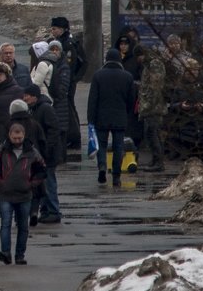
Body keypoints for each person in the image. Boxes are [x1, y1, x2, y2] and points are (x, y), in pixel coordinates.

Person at [0, 122, 47, 265]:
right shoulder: (1, 150)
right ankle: (5, 252)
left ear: (24, 136)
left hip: (25, 195)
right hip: (5, 195)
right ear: (10, 136)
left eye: (20, 138)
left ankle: (20, 255)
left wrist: (31, 184)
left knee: (23, 226)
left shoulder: (32, 152)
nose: (17, 141)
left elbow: (42, 170)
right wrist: (0, 182)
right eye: (14, 138)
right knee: (5, 224)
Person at [87, 48, 138, 187]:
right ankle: (116, 176)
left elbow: (93, 100)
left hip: (101, 117)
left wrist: (90, 119)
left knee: (102, 145)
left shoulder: (98, 76)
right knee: (118, 146)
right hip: (120, 117)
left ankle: (102, 167)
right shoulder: (127, 77)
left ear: (106, 60)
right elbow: (131, 99)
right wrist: (126, 113)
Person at [22, 83, 63, 224]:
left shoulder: (45, 108)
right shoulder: (34, 109)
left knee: (49, 183)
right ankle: (46, 211)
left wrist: (47, 149)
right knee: (43, 184)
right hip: (41, 154)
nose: (25, 98)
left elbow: (54, 129)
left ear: (34, 96)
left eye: (27, 95)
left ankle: (53, 211)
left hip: (48, 155)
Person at [50, 16, 87, 151]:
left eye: (54, 29)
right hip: (68, 81)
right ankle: (72, 136)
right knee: (69, 108)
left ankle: (74, 137)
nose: (52, 31)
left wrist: (73, 80)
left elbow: (70, 65)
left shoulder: (67, 44)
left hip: (67, 82)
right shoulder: (61, 42)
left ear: (61, 29)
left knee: (69, 109)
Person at [135, 53, 168, 172]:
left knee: (153, 134)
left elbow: (155, 88)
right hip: (150, 107)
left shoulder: (154, 64)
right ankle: (155, 160)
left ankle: (158, 162)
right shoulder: (148, 65)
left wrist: (148, 106)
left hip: (154, 108)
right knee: (151, 134)